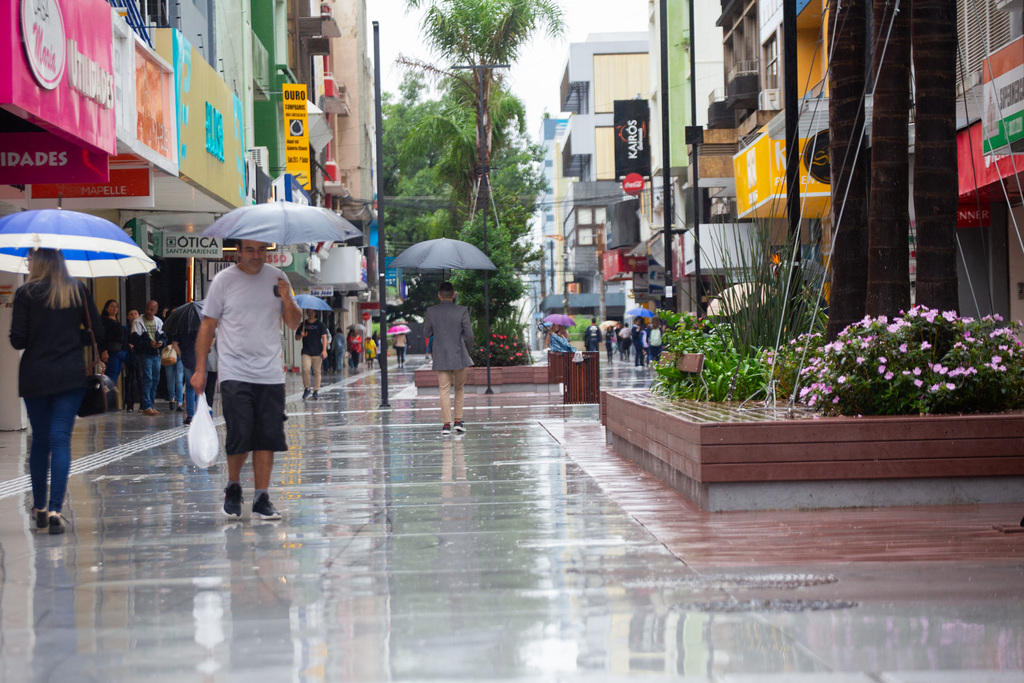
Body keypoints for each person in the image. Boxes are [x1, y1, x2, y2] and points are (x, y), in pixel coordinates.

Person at [190, 239, 302, 521]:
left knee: (267, 436)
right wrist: (200, 369)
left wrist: (287, 298)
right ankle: (233, 487)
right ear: (238, 251)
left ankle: (262, 497)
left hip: (270, 373)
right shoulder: (223, 281)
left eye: (262, 250)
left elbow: (294, 323)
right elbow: (208, 325)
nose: (257, 256)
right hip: (234, 371)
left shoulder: (279, 278)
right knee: (239, 432)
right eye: (250, 250)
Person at [9, 248, 104, 534]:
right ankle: (55, 511)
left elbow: (18, 340)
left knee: (41, 441)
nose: (28, 263)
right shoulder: (78, 290)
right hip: (70, 375)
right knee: (60, 439)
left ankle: (39, 507)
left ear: (38, 262)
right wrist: (71, 337)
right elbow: (98, 332)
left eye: (30, 259)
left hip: (36, 376)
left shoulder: (25, 293)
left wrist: (42, 335)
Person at [423, 281, 474, 436]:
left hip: (441, 355)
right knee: (459, 388)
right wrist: (467, 350)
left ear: (439, 295)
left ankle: (446, 425)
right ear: (453, 295)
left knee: (444, 389)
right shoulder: (462, 311)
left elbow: (426, 333)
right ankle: (458, 422)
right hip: (459, 355)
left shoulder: (431, 312)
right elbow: (469, 335)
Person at [131, 299, 167, 416]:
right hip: (145, 355)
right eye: (147, 309)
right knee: (148, 379)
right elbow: (135, 340)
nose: (148, 311)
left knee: (155, 380)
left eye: (152, 309)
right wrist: (149, 344)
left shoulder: (159, 322)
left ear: (156, 310)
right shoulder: (138, 322)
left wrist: (161, 343)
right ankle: (146, 405)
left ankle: (151, 405)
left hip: (156, 354)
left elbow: (164, 337)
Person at [296, 309, 328, 400]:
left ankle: (316, 390)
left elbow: (324, 337)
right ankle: (307, 388)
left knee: (317, 371)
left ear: (315, 313)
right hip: (306, 351)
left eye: (312, 312)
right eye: (309, 312)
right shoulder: (303, 324)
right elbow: (296, 337)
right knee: (305, 369)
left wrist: (324, 350)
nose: (310, 314)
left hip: (317, 352)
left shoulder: (320, 325)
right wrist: (301, 335)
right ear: (306, 313)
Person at [169, 325, 198, 425]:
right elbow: (212, 338)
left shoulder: (181, 327)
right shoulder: (203, 324)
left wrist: (182, 355)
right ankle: (200, 415)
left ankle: (190, 416)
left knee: (190, 388)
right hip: (201, 359)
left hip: (187, 360)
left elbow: (174, 343)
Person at [99, 300, 126, 390]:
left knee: (115, 377)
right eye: (112, 306)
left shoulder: (117, 321)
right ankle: (108, 395)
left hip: (120, 351)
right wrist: (104, 350)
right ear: (107, 308)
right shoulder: (104, 321)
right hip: (111, 351)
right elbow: (103, 336)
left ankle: (111, 394)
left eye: (116, 307)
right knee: (111, 376)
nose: (115, 309)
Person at [163, 306, 184, 412]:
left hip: (179, 354)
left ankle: (179, 402)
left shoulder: (183, 326)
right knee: (170, 378)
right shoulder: (167, 326)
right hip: (170, 354)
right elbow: (163, 337)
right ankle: (172, 398)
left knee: (179, 379)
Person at [122, 309, 142, 412]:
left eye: (135, 314)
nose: (133, 316)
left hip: (140, 357)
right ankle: (129, 405)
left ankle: (143, 405)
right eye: (131, 314)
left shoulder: (141, 327)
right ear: (127, 317)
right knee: (129, 381)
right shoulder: (125, 329)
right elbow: (122, 342)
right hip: (129, 356)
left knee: (141, 380)